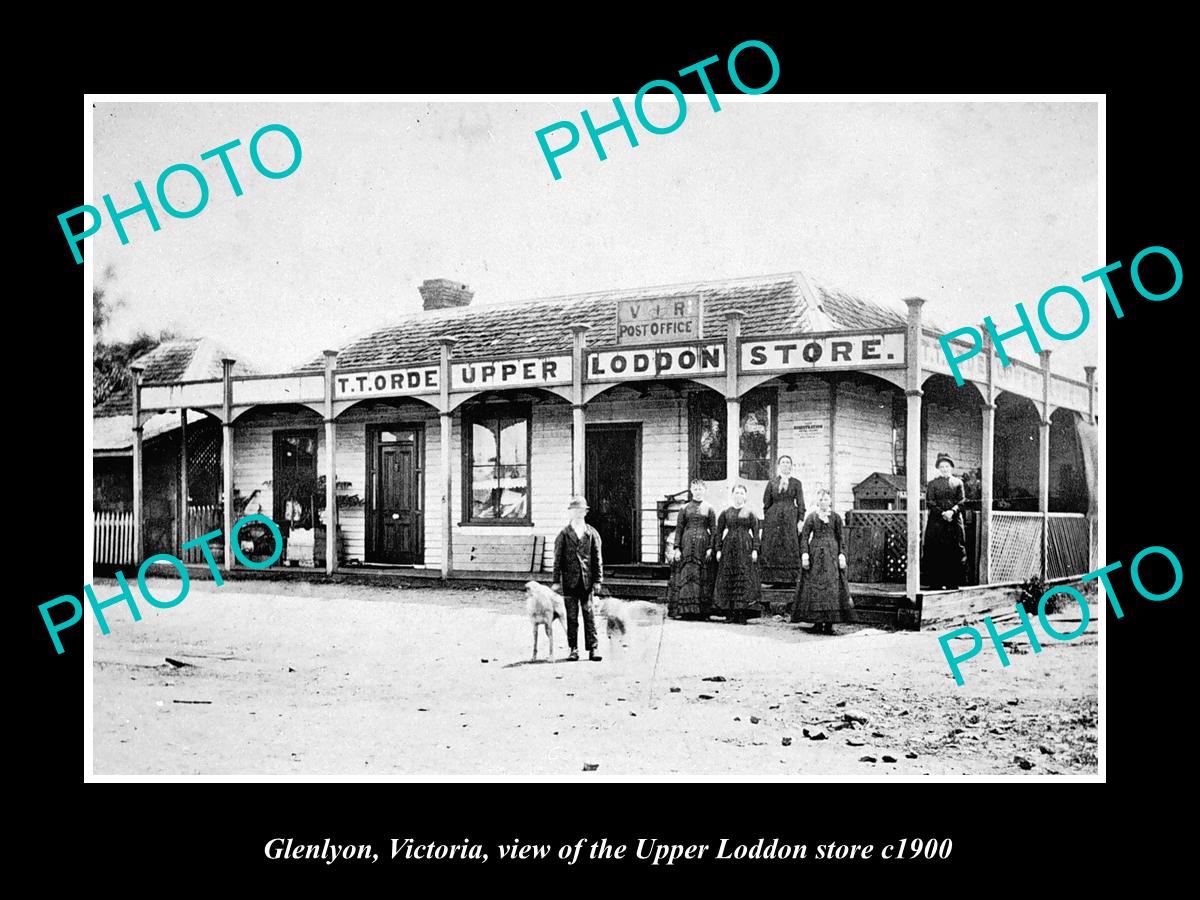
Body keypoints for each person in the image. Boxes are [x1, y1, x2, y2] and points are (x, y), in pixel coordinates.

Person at [791, 488, 854, 633]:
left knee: (832, 587)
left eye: (826, 499)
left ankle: (830, 624)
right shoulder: (812, 517)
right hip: (816, 556)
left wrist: (841, 554)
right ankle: (817, 623)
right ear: (817, 502)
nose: (823, 502)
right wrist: (805, 554)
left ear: (830, 501)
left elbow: (841, 538)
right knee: (815, 587)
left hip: (831, 555)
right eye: (821, 500)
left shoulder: (836, 518)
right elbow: (805, 537)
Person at [550, 496, 604, 661]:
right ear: (570, 512)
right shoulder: (564, 534)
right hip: (569, 582)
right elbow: (557, 559)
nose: (578, 514)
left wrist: (597, 580)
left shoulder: (591, 533)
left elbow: (597, 558)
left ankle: (593, 648)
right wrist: (555, 581)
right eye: (575, 510)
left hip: (586, 582)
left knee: (589, 615)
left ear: (585, 512)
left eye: (582, 511)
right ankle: (573, 649)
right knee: (571, 616)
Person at [667, 478, 717, 620]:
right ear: (691, 490)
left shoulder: (710, 508)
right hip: (687, 544)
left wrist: (710, 548)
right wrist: (677, 548)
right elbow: (679, 529)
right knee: (687, 574)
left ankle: (703, 612)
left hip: (703, 546)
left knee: (703, 576)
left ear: (705, 490)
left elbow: (713, 530)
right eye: (695, 489)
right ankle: (685, 611)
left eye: (700, 489)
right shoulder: (684, 508)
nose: (698, 492)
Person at [713, 484, 762, 624]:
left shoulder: (750, 513)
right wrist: (718, 549)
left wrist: (755, 549)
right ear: (732, 495)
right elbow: (719, 532)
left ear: (745, 496)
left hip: (745, 547)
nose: (739, 495)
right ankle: (730, 614)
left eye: (741, 493)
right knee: (729, 578)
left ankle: (742, 614)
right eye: (736, 492)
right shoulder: (726, 512)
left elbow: (756, 533)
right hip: (729, 548)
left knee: (743, 578)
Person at [922, 452, 967, 589]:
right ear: (938, 468)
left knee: (954, 549)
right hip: (937, 521)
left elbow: (962, 500)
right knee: (936, 549)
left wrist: (952, 511)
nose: (944, 469)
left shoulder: (958, 483)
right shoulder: (932, 484)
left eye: (947, 466)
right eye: (942, 467)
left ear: (951, 468)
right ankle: (936, 582)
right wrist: (942, 513)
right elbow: (930, 501)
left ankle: (952, 582)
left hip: (953, 521)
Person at [759, 455, 805, 586]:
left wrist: (800, 520)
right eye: (783, 462)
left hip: (790, 519)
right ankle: (771, 579)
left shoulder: (796, 483)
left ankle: (790, 579)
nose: (785, 465)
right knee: (773, 546)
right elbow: (766, 504)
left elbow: (801, 503)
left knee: (789, 545)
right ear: (779, 465)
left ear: (791, 466)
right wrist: (769, 520)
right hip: (773, 520)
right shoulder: (772, 482)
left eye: (788, 462)